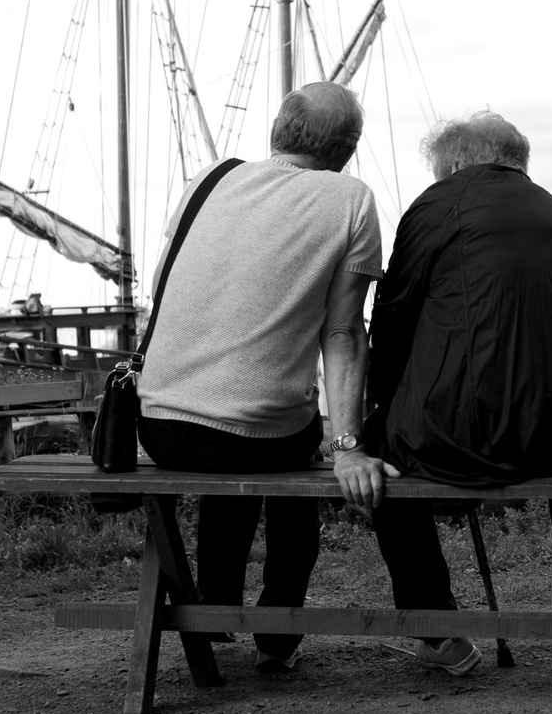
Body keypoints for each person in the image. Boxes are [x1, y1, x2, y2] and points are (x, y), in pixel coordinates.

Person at [347, 111, 552, 680]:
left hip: (456, 435)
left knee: (376, 462)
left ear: (455, 164)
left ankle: (440, 633)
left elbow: (391, 323)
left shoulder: (431, 209)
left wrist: (383, 410)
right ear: (516, 163)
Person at [139, 82, 385, 674]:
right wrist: (349, 446)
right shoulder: (351, 199)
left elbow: (163, 287)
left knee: (234, 432)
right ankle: (276, 636)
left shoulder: (209, 179)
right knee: (285, 453)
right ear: (347, 149)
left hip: (160, 426)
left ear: (278, 129)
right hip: (254, 436)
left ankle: (216, 608)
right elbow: (343, 332)